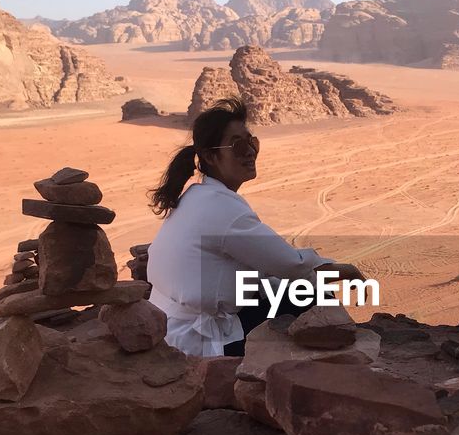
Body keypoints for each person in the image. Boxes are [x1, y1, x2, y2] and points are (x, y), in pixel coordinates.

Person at [146, 97, 362, 356]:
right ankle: (344, 367)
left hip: (173, 325)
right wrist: (341, 270)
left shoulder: (196, 195)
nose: (249, 151)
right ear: (210, 156)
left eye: (252, 142)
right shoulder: (222, 208)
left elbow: (261, 267)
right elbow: (290, 264)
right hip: (199, 339)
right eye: (238, 145)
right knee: (314, 295)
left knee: (286, 287)